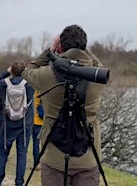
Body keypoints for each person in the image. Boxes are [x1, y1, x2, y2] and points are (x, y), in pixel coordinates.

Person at [22, 24, 105, 186]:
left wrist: (51, 50)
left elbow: (28, 70)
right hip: (88, 157)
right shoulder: (98, 77)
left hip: (54, 157)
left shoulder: (46, 75)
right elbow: (96, 63)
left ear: (61, 47)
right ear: (84, 46)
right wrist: (82, 49)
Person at [0, 60, 34, 186]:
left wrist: (6, 72)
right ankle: (19, 183)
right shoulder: (30, 84)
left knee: (3, 153)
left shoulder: (4, 83)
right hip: (25, 125)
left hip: (8, 124)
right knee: (21, 154)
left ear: (12, 71)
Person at [31, 91, 44, 171]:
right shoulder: (47, 89)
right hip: (47, 121)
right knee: (47, 144)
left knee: (36, 143)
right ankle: (46, 163)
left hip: (36, 121)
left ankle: (37, 163)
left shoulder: (35, 91)